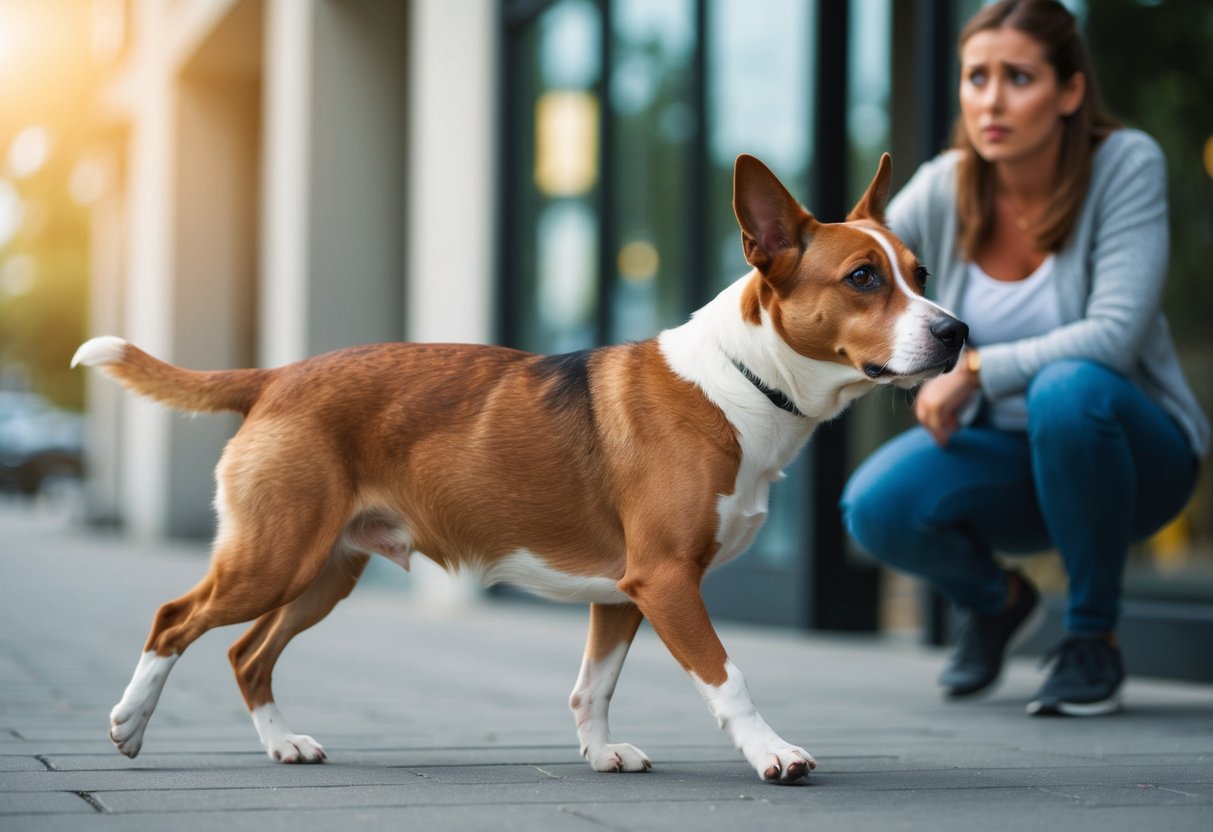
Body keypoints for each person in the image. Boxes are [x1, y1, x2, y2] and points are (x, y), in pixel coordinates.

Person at [840, 0, 1208, 716]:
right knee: (874, 505)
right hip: (1009, 462)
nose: (991, 99)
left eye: (1018, 77)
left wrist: (970, 370)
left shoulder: (1124, 166)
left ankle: (1090, 639)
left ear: (1069, 92)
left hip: (1134, 458)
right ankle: (997, 602)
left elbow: (1112, 337)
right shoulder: (946, 185)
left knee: (1067, 389)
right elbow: (843, 256)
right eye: (976, 77)